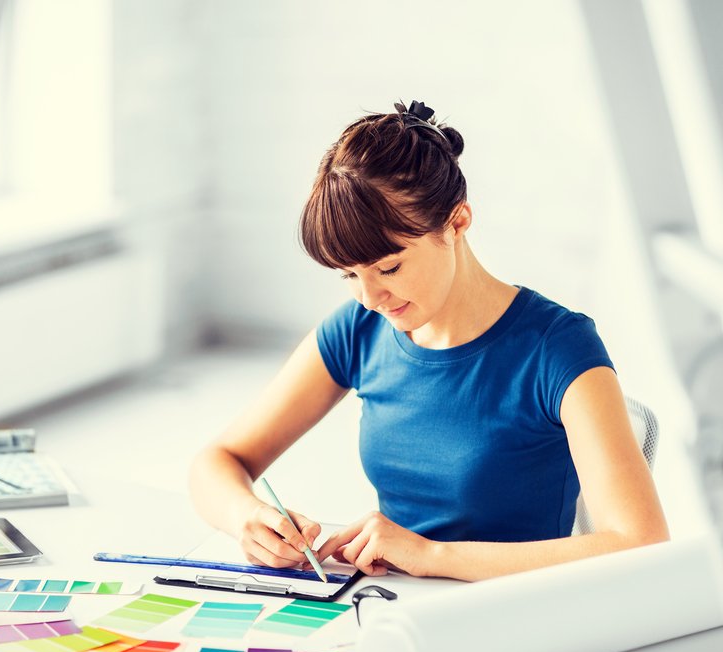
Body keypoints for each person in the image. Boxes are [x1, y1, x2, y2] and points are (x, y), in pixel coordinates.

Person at [188, 100, 669, 582]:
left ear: (457, 223)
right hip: (391, 607)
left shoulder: (557, 348)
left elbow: (639, 543)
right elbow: (218, 462)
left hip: (510, 616)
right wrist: (247, 518)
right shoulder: (360, 329)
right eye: (349, 275)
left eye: (389, 268)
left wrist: (432, 555)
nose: (370, 296)